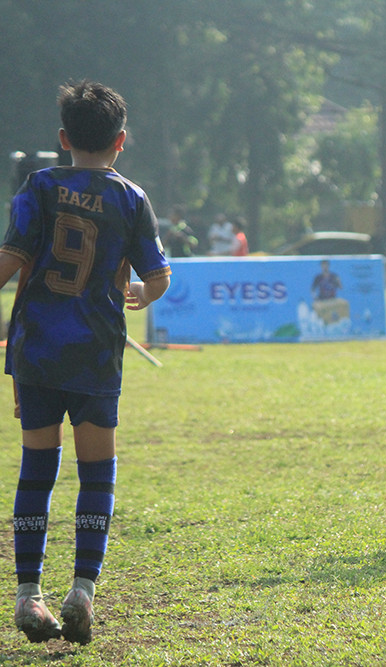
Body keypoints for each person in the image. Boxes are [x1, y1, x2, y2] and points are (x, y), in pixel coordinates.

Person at [4, 81, 171, 644]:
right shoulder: (132, 198)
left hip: (37, 350)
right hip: (96, 355)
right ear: (121, 141)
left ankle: (29, 595)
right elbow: (157, 276)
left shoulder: (39, 186)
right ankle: (82, 590)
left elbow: (10, 259)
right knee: (96, 472)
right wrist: (143, 294)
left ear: (62, 138)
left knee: (36, 469)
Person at [310, 259, 348, 324]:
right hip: (322, 300)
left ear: (328, 266)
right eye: (323, 265)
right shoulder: (318, 277)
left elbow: (340, 287)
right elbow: (312, 289)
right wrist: (315, 298)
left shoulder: (334, 276)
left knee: (334, 318)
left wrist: (339, 281)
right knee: (323, 319)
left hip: (332, 300)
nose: (325, 267)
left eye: (326, 265)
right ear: (321, 266)